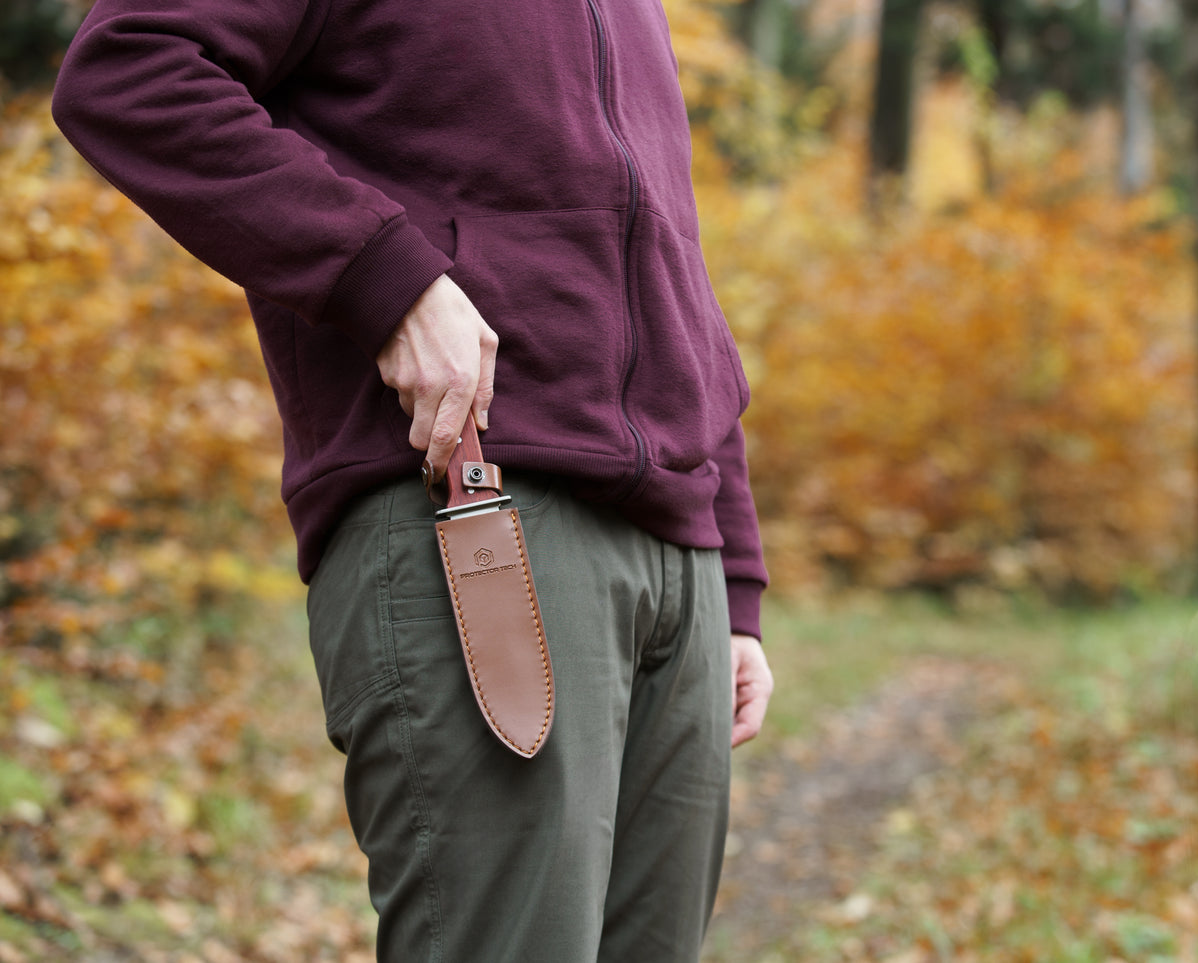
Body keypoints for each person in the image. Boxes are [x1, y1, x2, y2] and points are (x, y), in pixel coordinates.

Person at [52, 0, 773, 959]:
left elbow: (669, 267)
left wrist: (732, 580)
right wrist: (389, 279)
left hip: (679, 562)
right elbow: (129, 70)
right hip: (474, 510)